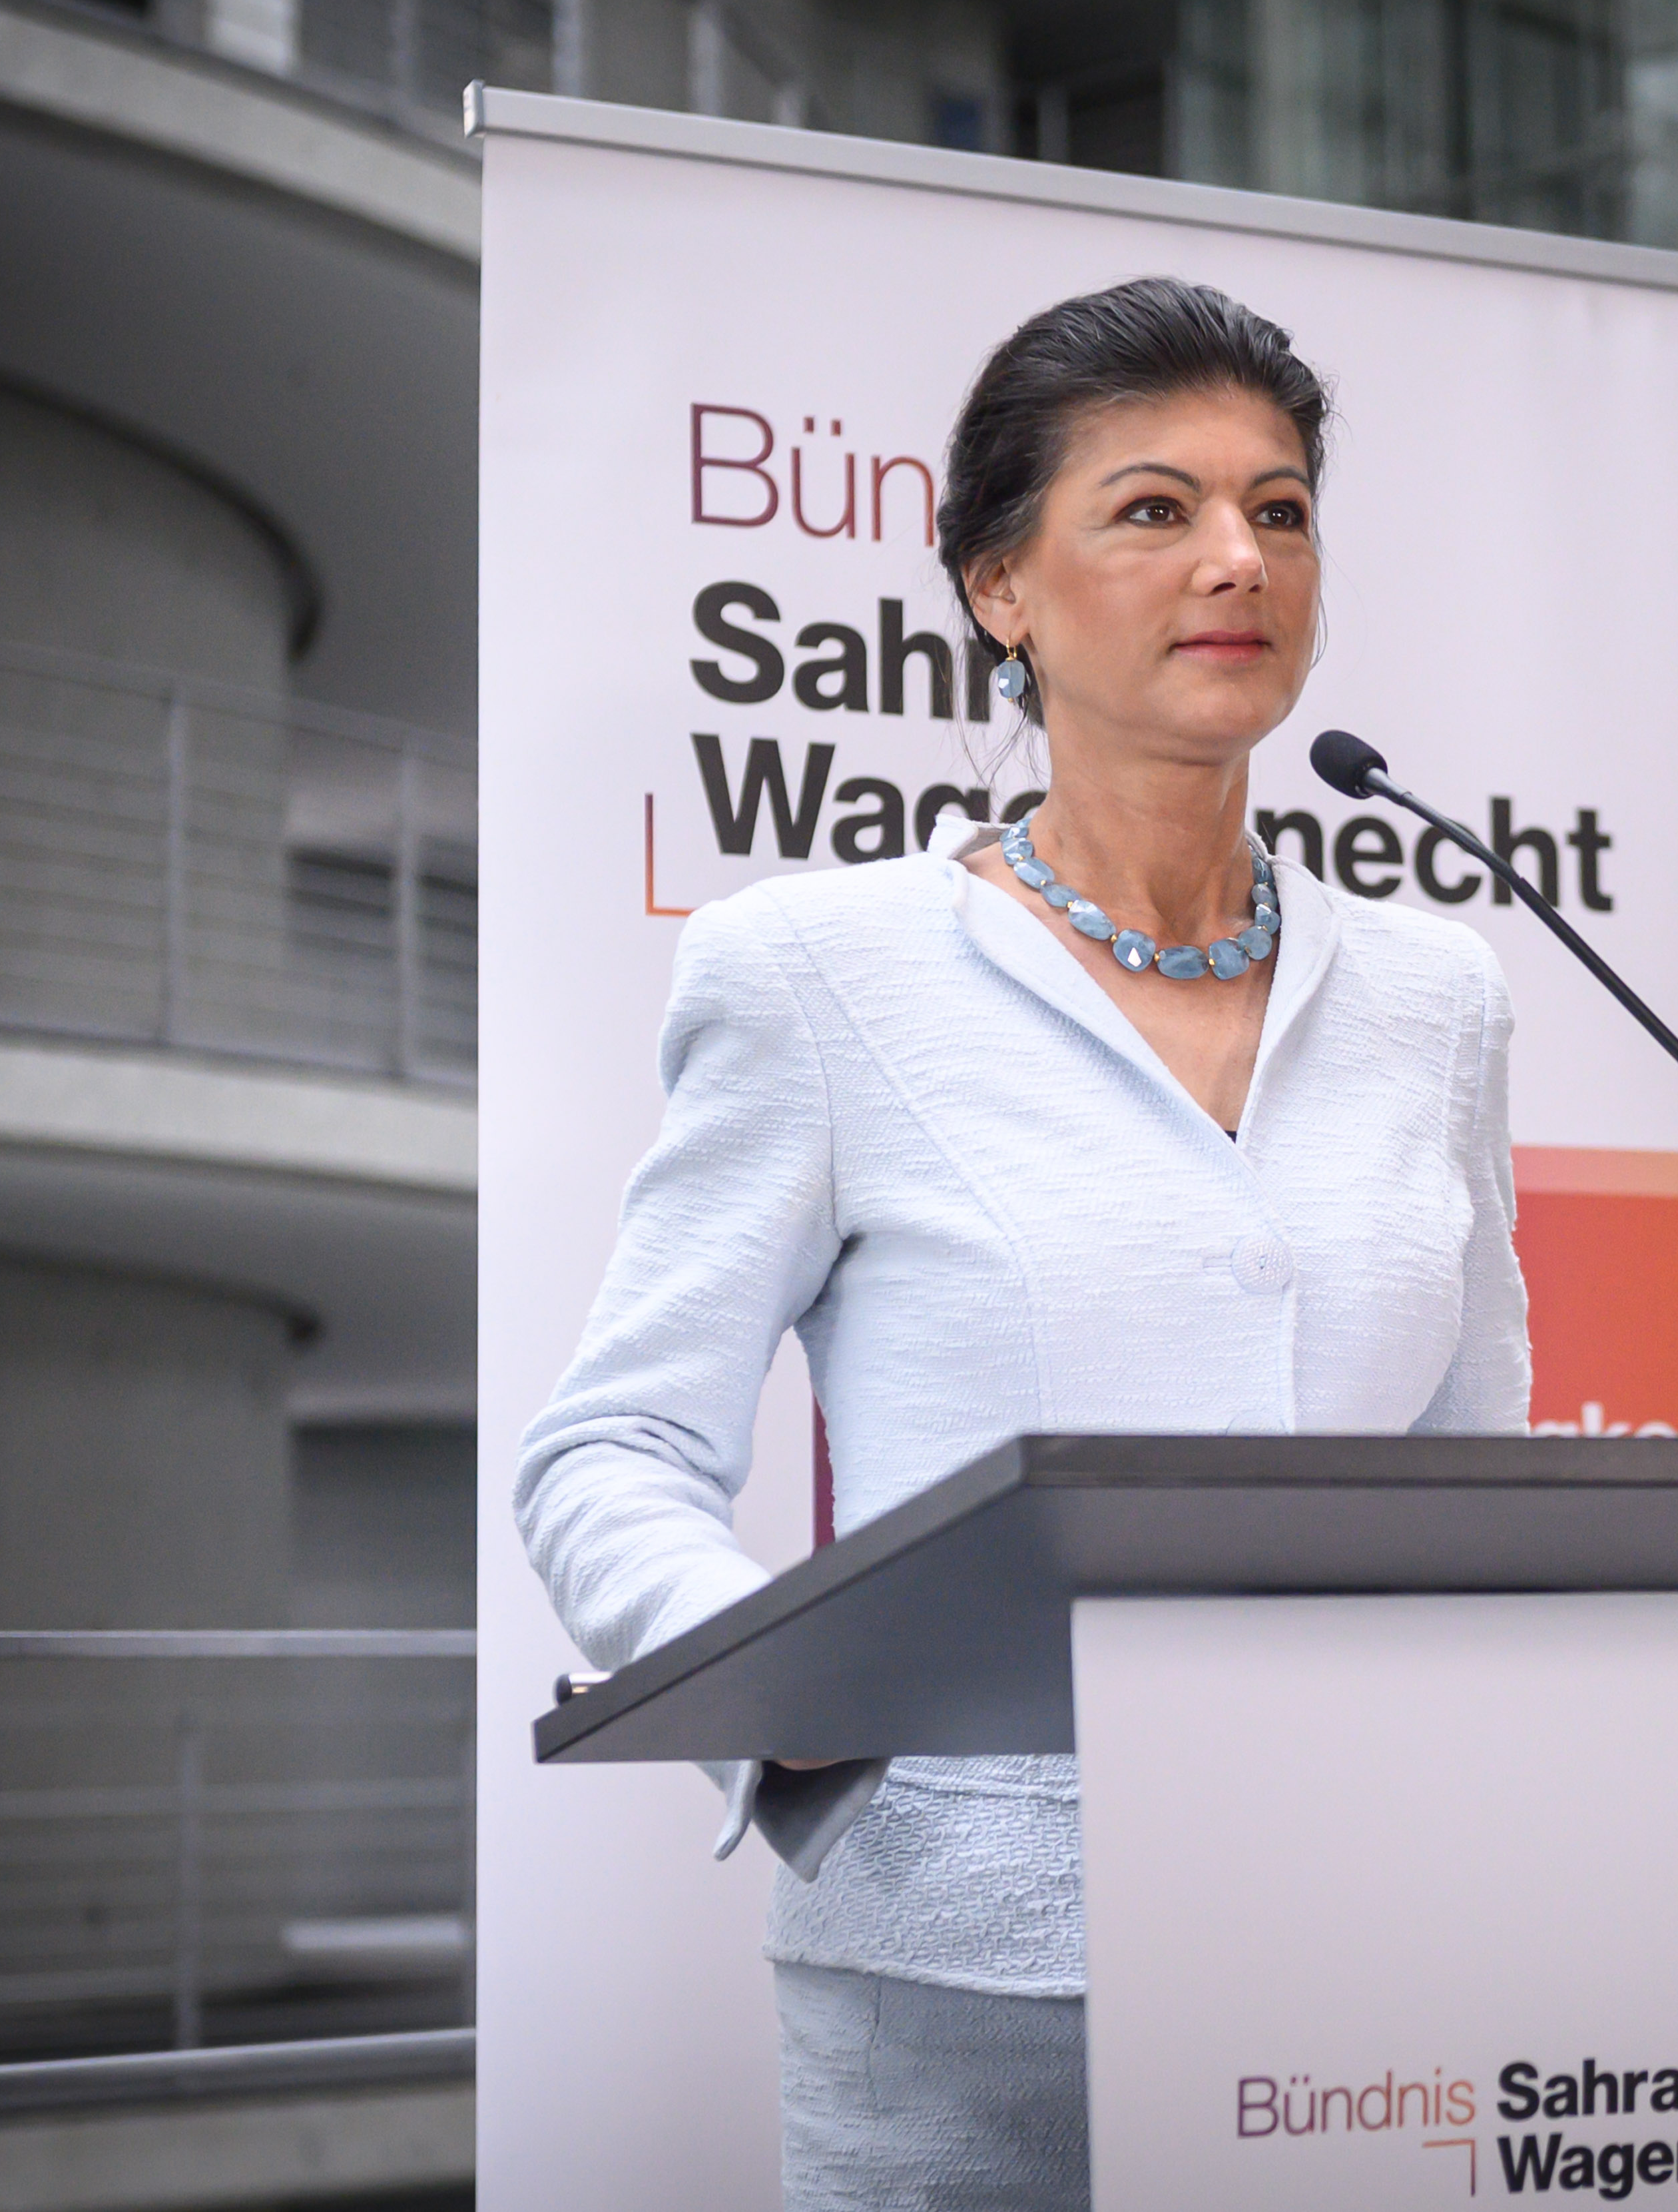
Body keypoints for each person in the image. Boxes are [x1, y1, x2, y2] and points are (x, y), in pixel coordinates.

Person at [516, 277, 1530, 2210]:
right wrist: (803, 1726)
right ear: (999, 588)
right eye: (1154, 510)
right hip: (963, 1986)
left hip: (1372, 1967)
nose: (1237, 556)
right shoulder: (815, 972)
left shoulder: (1438, 996)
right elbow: (605, 1456)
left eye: (1281, 507)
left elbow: (1469, 1465)